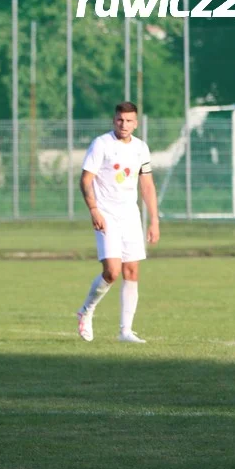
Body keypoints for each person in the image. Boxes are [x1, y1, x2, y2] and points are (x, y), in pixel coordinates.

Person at [76, 101, 160, 343]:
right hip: (106, 214)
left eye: (129, 121)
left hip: (130, 216)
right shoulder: (101, 144)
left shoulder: (141, 148)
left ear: (136, 123)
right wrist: (94, 209)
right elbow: (85, 179)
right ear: (114, 120)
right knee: (112, 272)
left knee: (132, 271)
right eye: (120, 120)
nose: (124, 125)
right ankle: (86, 310)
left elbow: (147, 184)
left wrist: (154, 219)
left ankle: (125, 331)